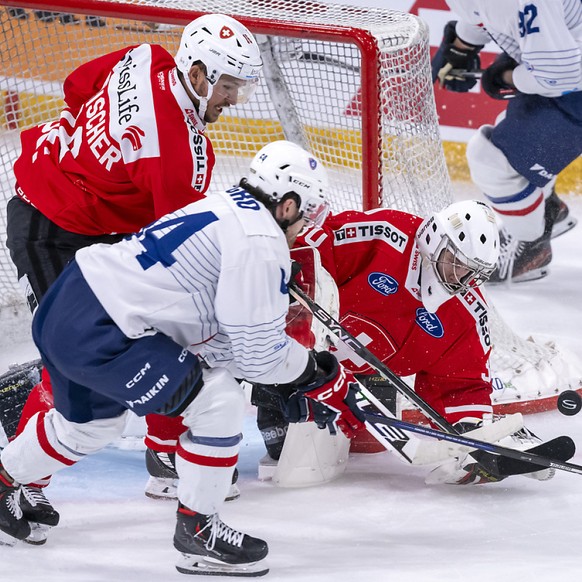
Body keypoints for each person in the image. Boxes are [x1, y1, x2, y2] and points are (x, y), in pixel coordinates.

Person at [0, 141, 364, 576]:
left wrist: (285, 363)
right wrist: (311, 369)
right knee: (219, 402)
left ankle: (4, 484)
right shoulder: (261, 240)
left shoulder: (226, 204)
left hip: (70, 300)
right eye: (306, 215)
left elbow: (216, 334)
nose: (304, 227)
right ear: (286, 205)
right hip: (105, 326)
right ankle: (198, 531)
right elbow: (258, 358)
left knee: (89, 426)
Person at [4, 13, 263, 542]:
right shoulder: (181, 154)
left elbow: (78, 88)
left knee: (135, 336)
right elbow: (185, 250)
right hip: (53, 230)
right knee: (80, 366)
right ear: (198, 73)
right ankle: (22, 466)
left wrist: (91, 156)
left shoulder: (145, 56)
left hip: (75, 211)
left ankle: (162, 448)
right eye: (229, 85)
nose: (234, 100)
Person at [255, 198, 557, 485]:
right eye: (456, 262)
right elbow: (315, 247)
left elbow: (462, 382)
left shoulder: (466, 314)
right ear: (435, 240)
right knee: (286, 455)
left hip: (365, 381)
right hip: (303, 361)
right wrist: (292, 290)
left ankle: (509, 439)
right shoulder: (383, 237)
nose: (461, 278)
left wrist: (472, 437)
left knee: (362, 449)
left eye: (472, 272)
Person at [431, 0, 580, 283]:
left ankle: (531, 247)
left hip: (573, 86)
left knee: (492, 162)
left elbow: (561, 75)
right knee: (514, 145)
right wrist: (462, 46)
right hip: (569, 74)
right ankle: (545, 212)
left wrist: (506, 76)